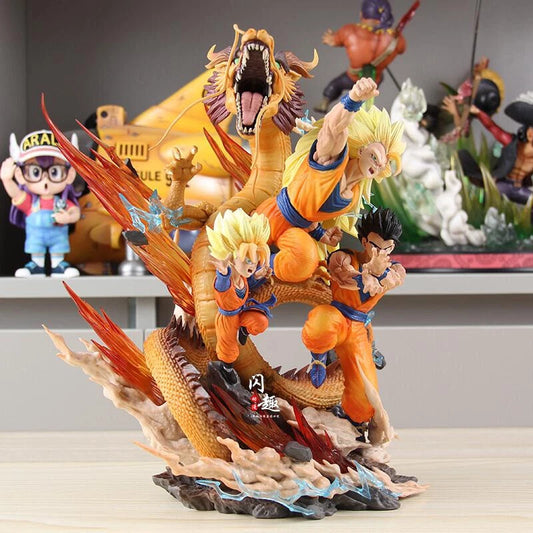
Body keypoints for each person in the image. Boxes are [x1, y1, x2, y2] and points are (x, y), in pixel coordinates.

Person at [255, 77, 404, 283]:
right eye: (374, 157)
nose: (376, 165)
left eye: (381, 164)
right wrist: (353, 99)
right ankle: (252, 267)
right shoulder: (332, 160)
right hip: (272, 216)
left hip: (295, 232)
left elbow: (310, 211)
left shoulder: (353, 196)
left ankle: (262, 267)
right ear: (361, 150)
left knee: (307, 261)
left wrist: (320, 234)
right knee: (244, 249)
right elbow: (332, 128)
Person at [301, 208, 405, 444]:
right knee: (320, 324)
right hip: (337, 315)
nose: (381, 253)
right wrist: (366, 274)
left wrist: (377, 274)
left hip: (358, 328)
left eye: (388, 248)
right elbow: (343, 275)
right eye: (376, 246)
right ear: (365, 241)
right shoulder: (344, 257)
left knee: (365, 399)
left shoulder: (395, 270)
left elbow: (388, 282)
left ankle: (354, 426)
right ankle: (318, 358)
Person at [207, 208, 275, 392]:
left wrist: (259, 275)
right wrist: (223, 272)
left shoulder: (243, 277)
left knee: (260, 321)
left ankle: (244, 329)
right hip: (227, 318)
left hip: (241, 311)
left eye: (255, 261)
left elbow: (249, 284)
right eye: (247, 260)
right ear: (232, 258)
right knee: (228, 349)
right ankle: (226, 369)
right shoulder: (225, 281)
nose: (252, 266)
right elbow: (221, 286)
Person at [1, 130, 80, 277]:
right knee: (36, 249)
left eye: (54, 172)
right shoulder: (31, 202)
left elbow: (75, 212)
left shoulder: (62, 202)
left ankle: (58, 265)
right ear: (20, 175)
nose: (45, 180)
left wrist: (68, 217)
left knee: (58, 249)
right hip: (36, 239)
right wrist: (7, 180)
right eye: (35, 172)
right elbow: (16, 194)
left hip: (58, 238)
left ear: (69, 175)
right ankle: (37, 266)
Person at [315, 0, 406, 113]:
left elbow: (334, 40)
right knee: (368, 95)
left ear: (362, 15)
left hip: (352, 77)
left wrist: (331, 38)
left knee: (335, 85)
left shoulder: (349, 31)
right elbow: (402, 49)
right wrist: (393, 38)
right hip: (374, 80)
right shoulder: (397, 40)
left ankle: (325, 102)